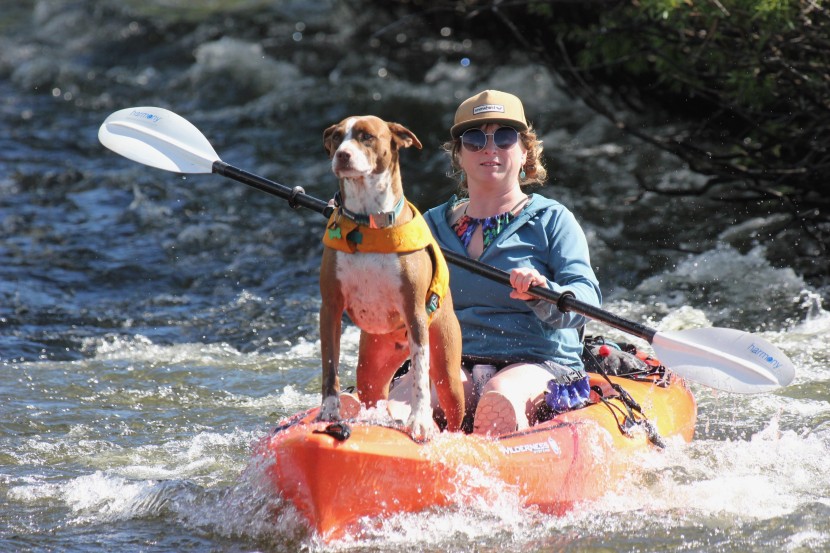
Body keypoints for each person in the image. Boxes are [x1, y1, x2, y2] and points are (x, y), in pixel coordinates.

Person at [391, 89, 602, 435]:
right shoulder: (427, 227)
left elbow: (588, 300)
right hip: (453, 359)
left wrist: (543, 291)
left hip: (537, 361)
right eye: (474, 139)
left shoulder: (553, 220)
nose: (490, 148)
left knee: (500, 396)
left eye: (504, 138)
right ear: (459, 155)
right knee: (412, 398)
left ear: (524, 152)